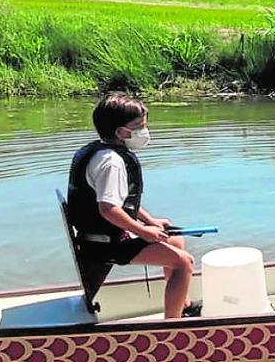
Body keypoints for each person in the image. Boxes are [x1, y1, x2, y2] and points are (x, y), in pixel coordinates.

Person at [66, 93, 198, 319]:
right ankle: (174, 326)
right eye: (139, 127)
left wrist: (151, 221)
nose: (144, 131)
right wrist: (143, 232)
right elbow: (108, 209)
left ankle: (183, 306)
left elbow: (122, 201)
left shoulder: (98, 151)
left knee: (175, 239)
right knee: (184, 263)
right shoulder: (112, 163)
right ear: (121, 133)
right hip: (105, 244)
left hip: (103, 236)